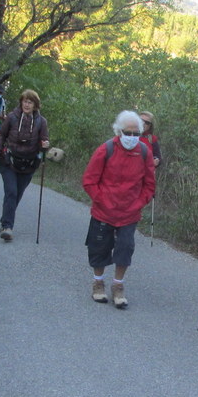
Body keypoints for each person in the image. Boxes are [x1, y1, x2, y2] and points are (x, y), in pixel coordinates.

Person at [82, 110, 156, 308]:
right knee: (99, 247)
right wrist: (101, 200)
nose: (131, 137)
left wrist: (139, 203)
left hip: (129, 212)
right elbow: (89, 180)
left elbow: (150, 184)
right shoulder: (106, 149)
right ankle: (98, 282)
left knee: (125, 248)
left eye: (135, 134)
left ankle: (118, 285)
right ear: (119, 131)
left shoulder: (144, 152)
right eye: (127, 132)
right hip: (103, 210)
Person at [0, 90, 50, 241]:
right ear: (21, 102)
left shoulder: (41, 122)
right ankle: (7, 227)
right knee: (11, 191)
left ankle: (5, 220)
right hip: (8, 160)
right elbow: (1, 134)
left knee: (17, 194)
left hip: (29, 164)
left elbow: (44, 140)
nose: (26, 104)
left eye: (30, 102)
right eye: (25, 101)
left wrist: (45, 145)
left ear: (35, 105)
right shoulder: (12, 117)